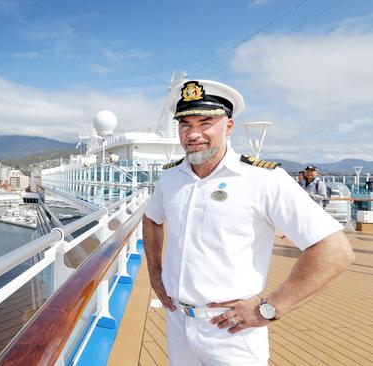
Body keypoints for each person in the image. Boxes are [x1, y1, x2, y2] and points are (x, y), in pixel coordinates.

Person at [142, 79, 354, 365]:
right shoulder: (170, 178)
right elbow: (152, 219)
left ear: (228, 127)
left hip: (233, 331)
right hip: (178, 321)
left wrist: (269, 308)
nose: (193, 134)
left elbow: (335, 250)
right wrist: (155, 272)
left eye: (205, 122)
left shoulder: (263, 179)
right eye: (185, 124)